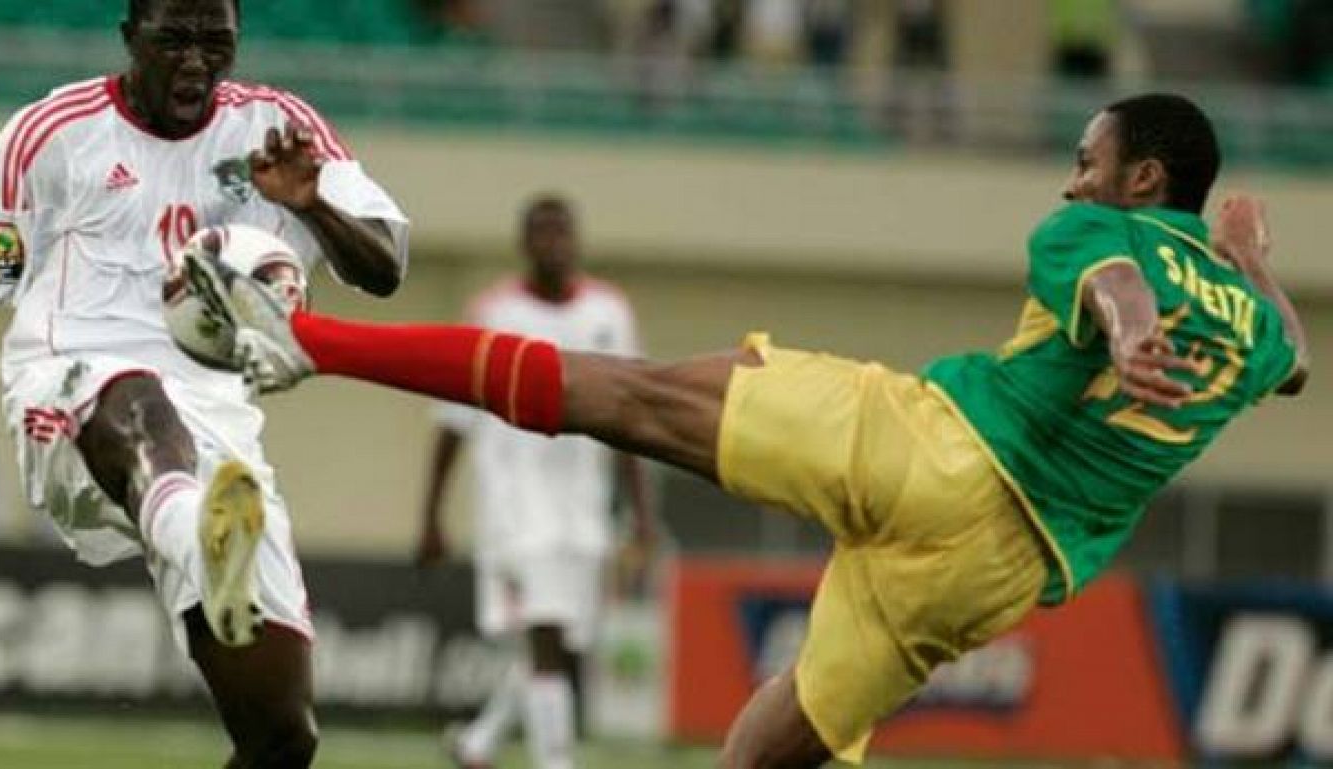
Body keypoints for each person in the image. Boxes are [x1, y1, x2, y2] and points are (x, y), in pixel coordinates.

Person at [189, 93, 1309, 767]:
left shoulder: (1098, 233)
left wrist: (1124, 325)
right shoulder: (1254, 323)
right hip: (994, 580)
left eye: (1088, 161)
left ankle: (307, 341)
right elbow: (1298, 361)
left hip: (935, 452)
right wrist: (1250, 260)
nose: (1074, 183)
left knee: (625, 396)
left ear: (1141, 177)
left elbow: (1113, 277)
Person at [0, 0, 409, 766]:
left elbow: (385, 269)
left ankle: (209, 534)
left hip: (219, 433)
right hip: (71, 391)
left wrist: (310, 205)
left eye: (217, 40)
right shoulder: (52, 134)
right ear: (129, 37)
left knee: (282, 737)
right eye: (175, 38)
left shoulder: (276, 128)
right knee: (134, 392)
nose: (198, 59)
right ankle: (196, 533)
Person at [416, 196, 655, 769]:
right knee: (546, 635)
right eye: (541, 231)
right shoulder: (492, 312)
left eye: (562, 230)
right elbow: (454, 423)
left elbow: (629, 417)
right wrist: (431, 517)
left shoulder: (609, 312)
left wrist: (643, 519)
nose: (553, 241)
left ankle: (479, 744)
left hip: (583, 511)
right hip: (514, 509)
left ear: (578, 239)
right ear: (523, 243)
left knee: (562, 643)